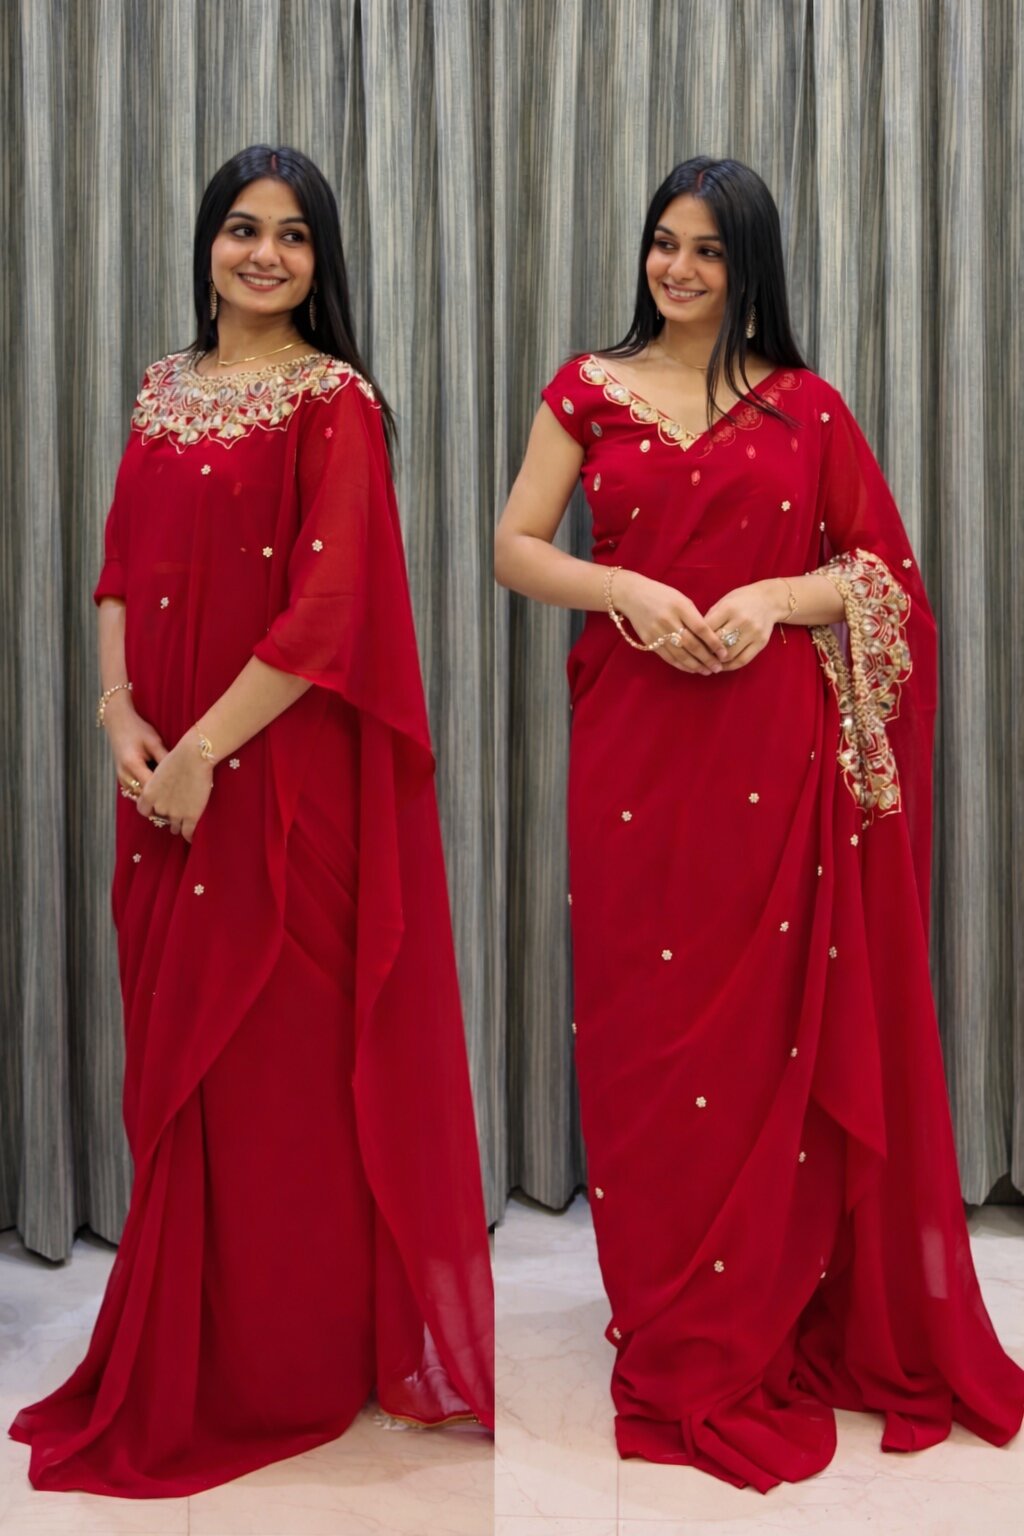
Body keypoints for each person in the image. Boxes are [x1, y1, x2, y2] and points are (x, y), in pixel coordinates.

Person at [494, 155, 1023, 1492]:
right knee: (644, 1031)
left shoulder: (806, 407)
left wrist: (773, 601)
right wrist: (624, 587)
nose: (679, 269)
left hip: (771, 764)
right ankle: (672, 1316)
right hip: (633, 751)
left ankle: (767, 1304)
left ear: (751, 268)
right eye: (664, 243)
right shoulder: (586, 388)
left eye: (710, 251)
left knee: (764, 1029)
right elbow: (516, 547)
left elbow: (881, 576)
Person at [10, 144, 494, 1497]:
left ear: (321, 261)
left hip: (272, 788)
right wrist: (120, 719)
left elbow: (328, 615)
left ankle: (285, 1362)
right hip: (158, 782)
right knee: (178, 1065)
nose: (265, 254)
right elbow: (118, 568)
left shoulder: (336, 403)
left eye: (292, 235)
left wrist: (204, 755)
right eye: (242, 228)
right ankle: (185, 1339)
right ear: (208, 244)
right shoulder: (160, 389)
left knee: (274, 1071)